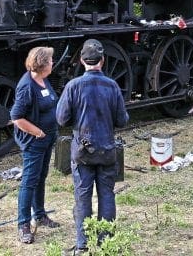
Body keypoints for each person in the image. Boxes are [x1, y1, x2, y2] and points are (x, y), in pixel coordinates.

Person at [56, 39, 129, 255]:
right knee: (107, 194)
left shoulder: (73, 86)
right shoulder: (112, 86)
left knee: (82, 196)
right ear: (102, 61)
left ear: (81, 60)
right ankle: (106, 242)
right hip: (107, 150)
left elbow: (61, 119)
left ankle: (82, 244)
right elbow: (122, 120)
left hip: (82, 152)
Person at [10, 46, 60, 245]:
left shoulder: (42, 79)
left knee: (41, 177)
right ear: (42, 64)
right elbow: (16, 117)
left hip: (47, 139)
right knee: (29, 181)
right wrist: (38, 132)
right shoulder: (27, 86)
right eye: (50, 60)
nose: (53, 63)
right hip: (35, 141)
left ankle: (39, 214)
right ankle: (23, 224)